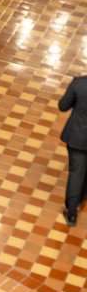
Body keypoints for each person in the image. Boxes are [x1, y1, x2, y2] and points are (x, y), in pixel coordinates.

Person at [58, 74, 87, 226]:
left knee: (76, 172)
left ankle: (72, 214)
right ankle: (82, 197)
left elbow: (63, 106)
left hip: (77, 137)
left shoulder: (79, 84)